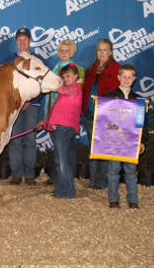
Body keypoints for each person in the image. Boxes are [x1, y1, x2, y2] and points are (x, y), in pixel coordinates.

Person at [103, 64, 147, 209]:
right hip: (114, 142)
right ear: (119, 77)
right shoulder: (109, 98)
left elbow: (142, 124)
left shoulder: (139, 100)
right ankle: (113, 199)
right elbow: (103, 121)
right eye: (124, 77)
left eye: (130, 77)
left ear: (134, 79)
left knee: (131, 171)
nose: (127, 79)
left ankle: (133, 200)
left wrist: (142, 141)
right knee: (113, 171)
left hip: (131, 142)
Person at [42, 39, 84, 184]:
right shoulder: (55, 68)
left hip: (64, 116)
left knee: (65, 151)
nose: (63, 53)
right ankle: (59, 176)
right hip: (52, 111)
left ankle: (65, 179)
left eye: (67, 51)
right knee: (61, 149)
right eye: (61, 50)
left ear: (72, 52)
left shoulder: (75, 69)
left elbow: (75, 92)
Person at [5, 27, 43, 186]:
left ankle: (29, 174)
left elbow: (42, 82)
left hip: (32, 104)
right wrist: (18, 101)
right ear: (16, 42)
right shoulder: (10, 59)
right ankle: (16, 174)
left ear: (30, 41)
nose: (22, 42)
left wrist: (28, 100)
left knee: (29, 139)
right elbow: (5, 83)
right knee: (14, 140)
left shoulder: (37, 59)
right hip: (15, 105)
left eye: (25, 39)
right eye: (19, 40)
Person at [37, 64, 82, 199]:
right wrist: (44, 122)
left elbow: (63, 90)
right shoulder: (66, 92)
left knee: (62, 161)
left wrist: (52, 83)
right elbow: (57, 112)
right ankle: (59, 190)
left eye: (68, 76)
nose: (65, 79)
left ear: (75, 76)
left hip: (63, 128)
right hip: (60, 127)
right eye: (63, 76)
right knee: (59, 160)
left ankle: (67, 192)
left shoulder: (75, 88)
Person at [82, 39, 120, 189]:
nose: (102, 53)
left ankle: (102, 181)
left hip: (106, 114)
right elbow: (85, 90)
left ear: (110, 52)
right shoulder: (90, 69)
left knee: (103, 148)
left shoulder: (117, 69)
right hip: (90, 114)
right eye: (99, 50)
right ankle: (93, 180)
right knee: (93, 148)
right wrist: (83, 111)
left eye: (105, 50)